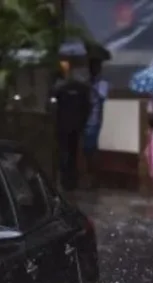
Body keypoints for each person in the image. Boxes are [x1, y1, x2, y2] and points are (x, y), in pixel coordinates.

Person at [52, 61, 91, 191]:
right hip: (76, 126)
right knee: (73, 153)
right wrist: (83, 122)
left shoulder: (60, 88)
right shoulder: (82, 88)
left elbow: (53, 105)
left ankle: (65, 181)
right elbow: (87, 108)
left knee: (64, 152)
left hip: (62, 125)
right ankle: (72, 181)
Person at [82, 59, 109, 187]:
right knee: (86, 149)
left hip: (94, 119)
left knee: (92, 149)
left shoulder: (102, 83)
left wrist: (91, 88)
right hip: (84, 119)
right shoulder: (87, 83)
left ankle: (94, 178)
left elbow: (101, 97)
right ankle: (87, 176)